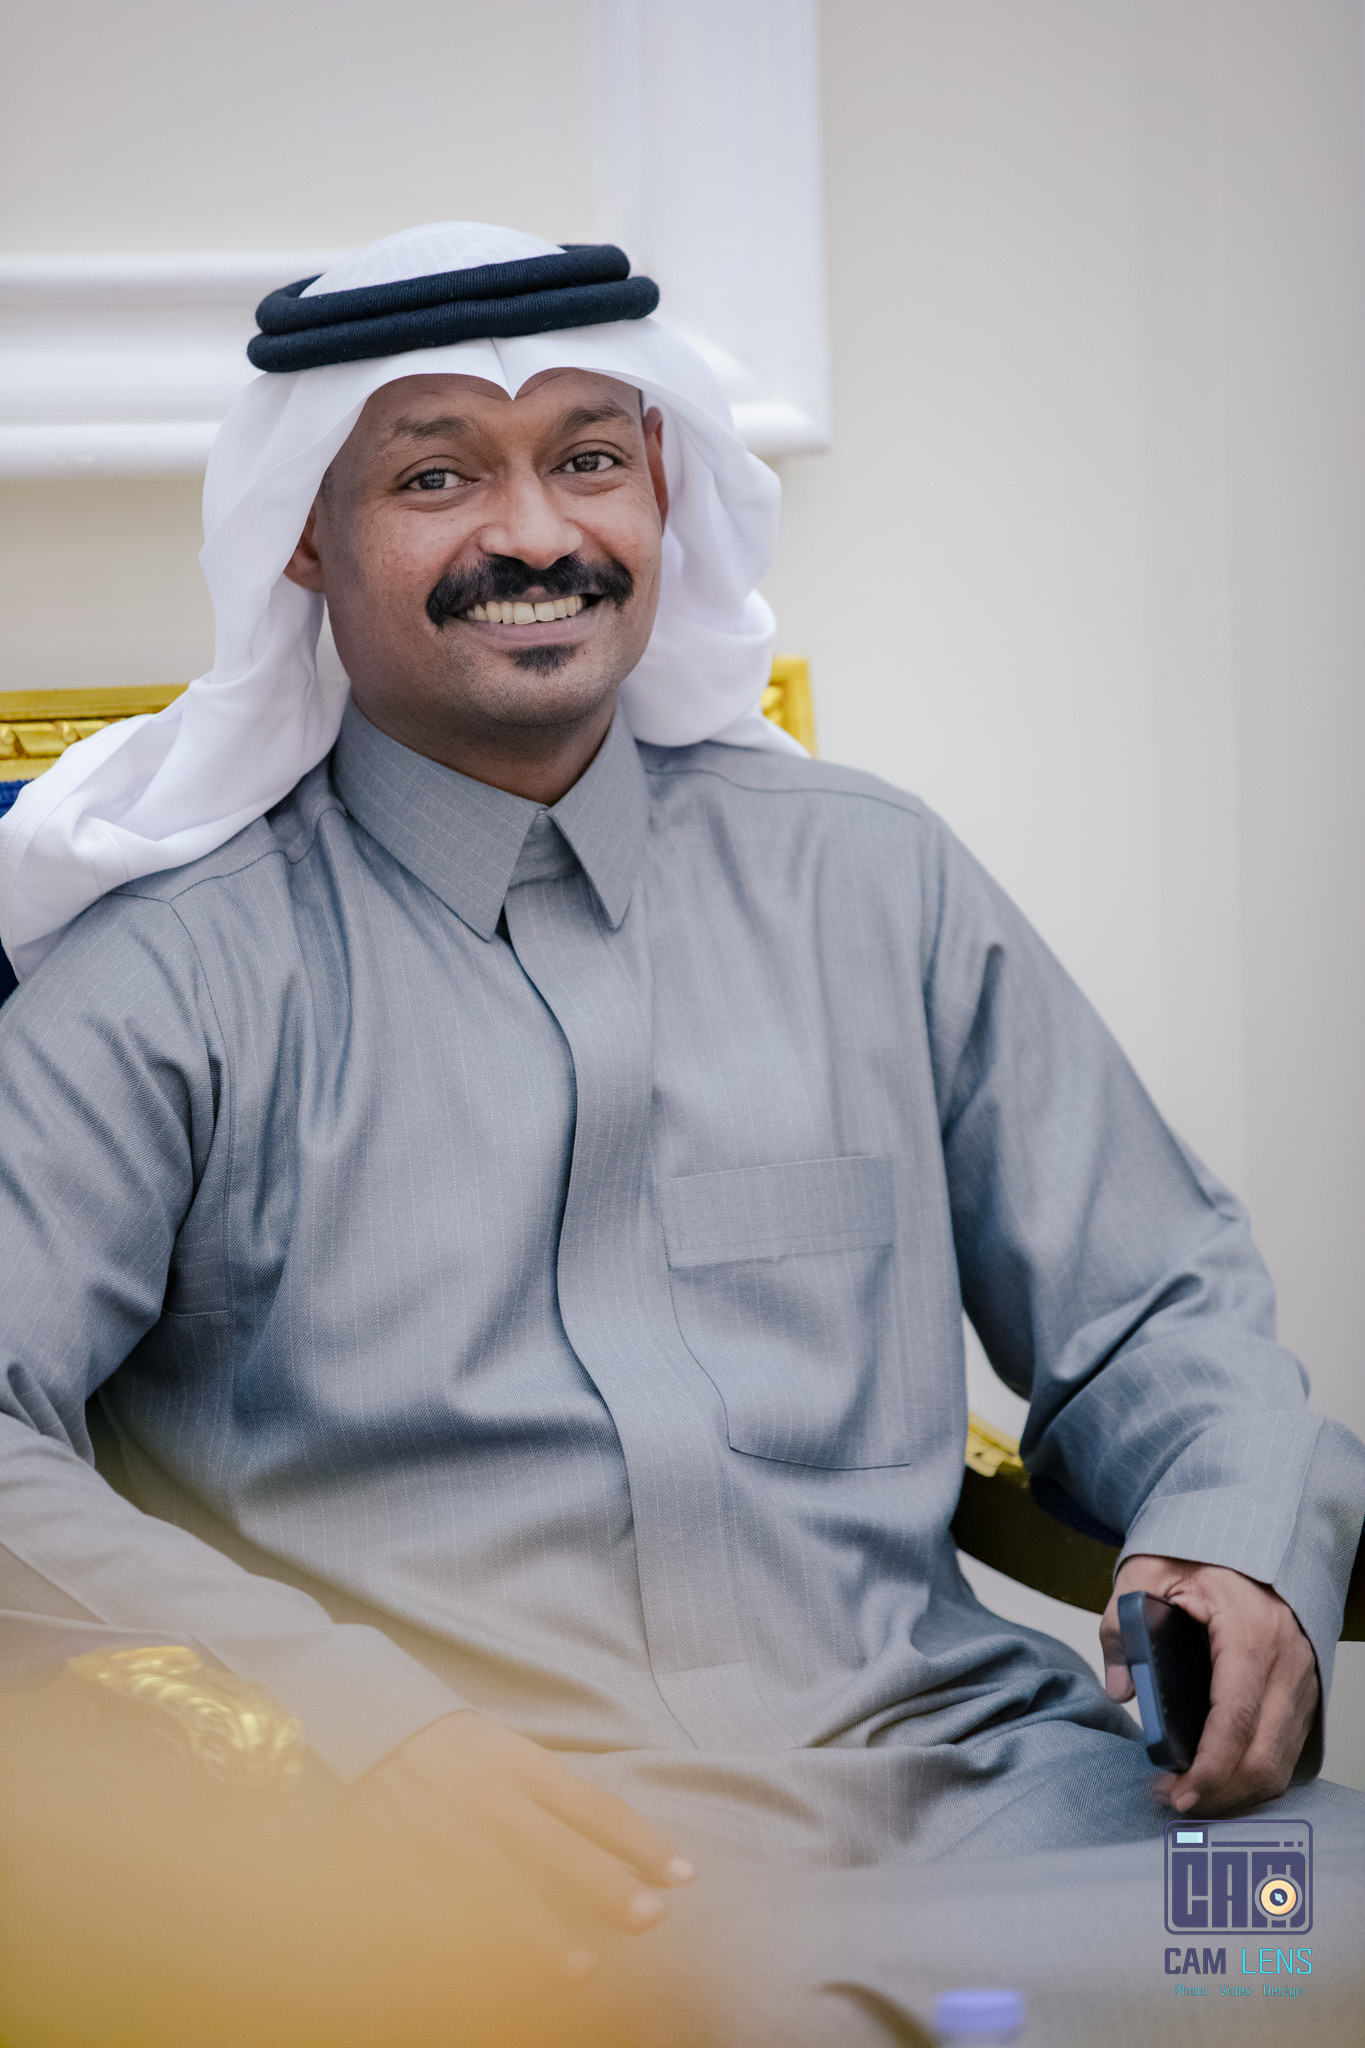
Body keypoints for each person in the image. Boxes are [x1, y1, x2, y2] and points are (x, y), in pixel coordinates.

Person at [0, 221, 1361, 2045]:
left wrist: (1235, 1531)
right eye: (434, 478)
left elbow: (1157, 1299)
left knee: (1312, 1941)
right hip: (510, 1872)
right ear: (302, 540)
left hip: (997, 1794)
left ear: (661, 488)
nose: (533, 537)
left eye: (586, 459)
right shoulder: (173, 973)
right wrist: (349, 1721)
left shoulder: (868, 882)